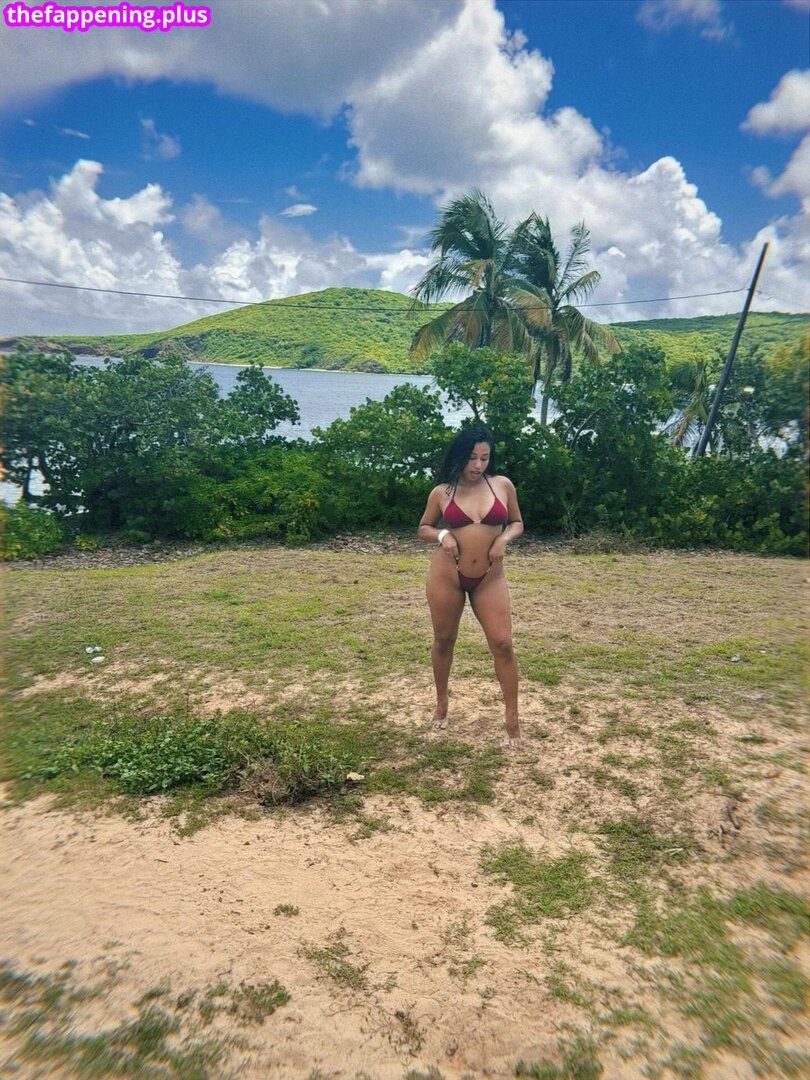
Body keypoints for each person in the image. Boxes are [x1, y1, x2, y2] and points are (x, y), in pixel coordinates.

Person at [417, 427, 524, 743]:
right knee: (444, 640)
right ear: (460, 456)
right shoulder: (442, 492)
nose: (478, 465)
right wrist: (443, 535)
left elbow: (517, 522)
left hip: (489, 578)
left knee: (503, 643)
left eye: (484, 458)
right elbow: (423, 527)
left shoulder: (502, 485)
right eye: (472, 458)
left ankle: (513, 720)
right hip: (447, 576)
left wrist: (503, 539)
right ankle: (441, 704)